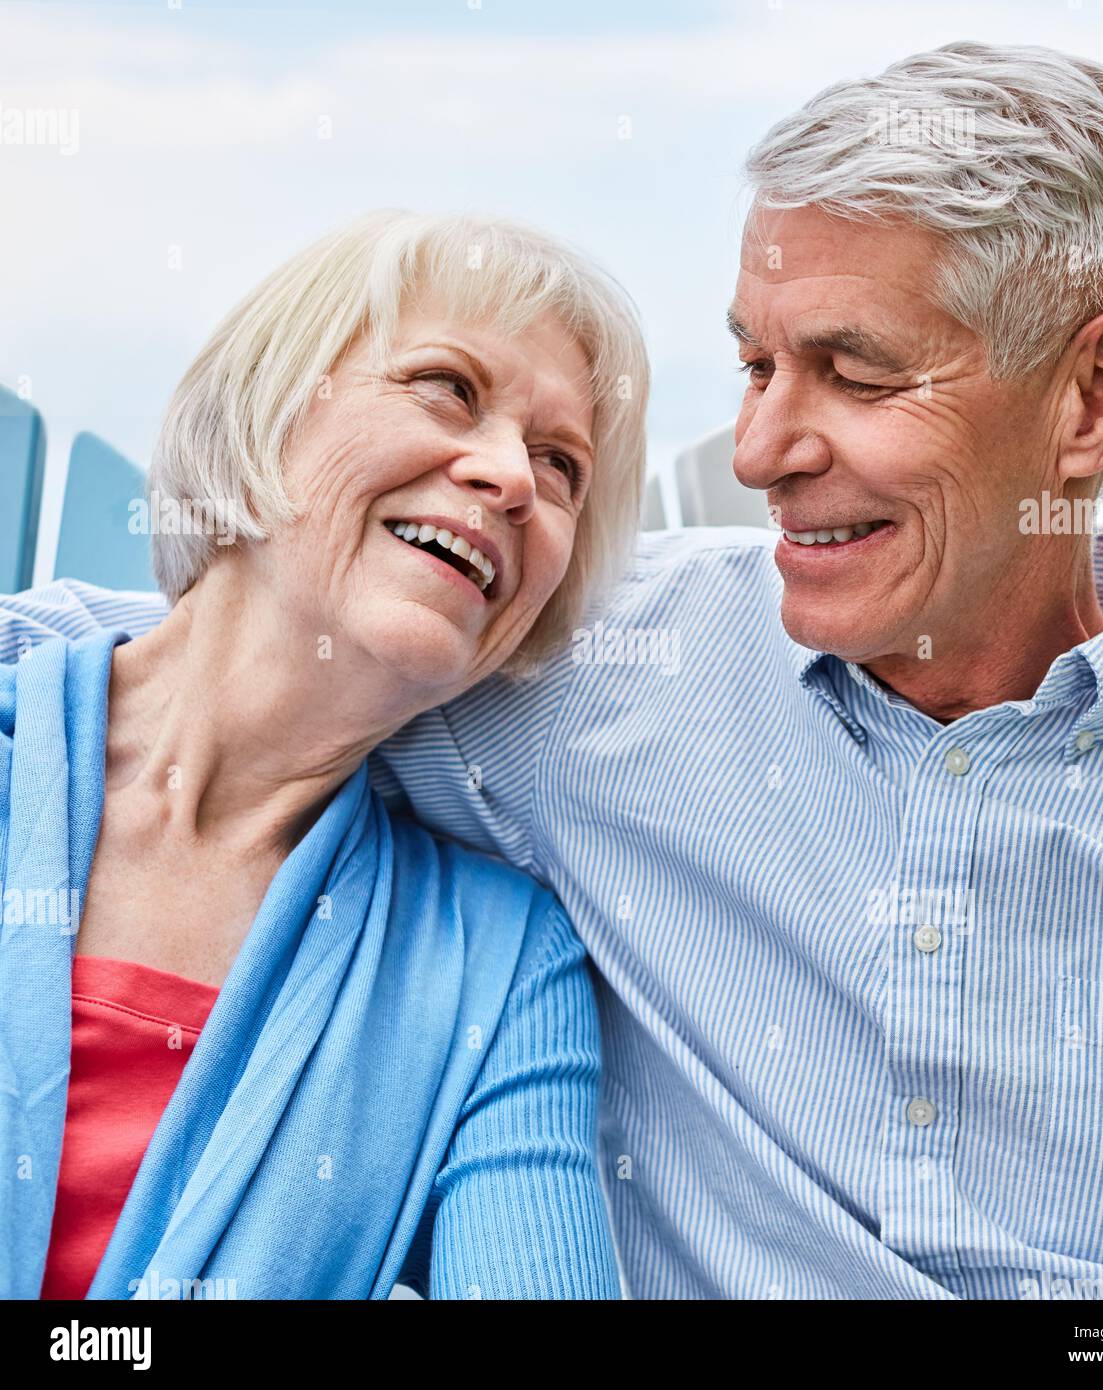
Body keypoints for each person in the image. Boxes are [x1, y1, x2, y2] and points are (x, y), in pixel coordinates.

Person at [6, 41, 1103, 1300]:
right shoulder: (589, 671)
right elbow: (236, 652)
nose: (758, 451)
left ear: (1093, 396)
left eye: (855, 372)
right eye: (756, 368)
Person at [0, 209, 649, 1300]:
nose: (511, 480)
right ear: (264, 404)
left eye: (560, 465)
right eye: (448, 387)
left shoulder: (498, 965)